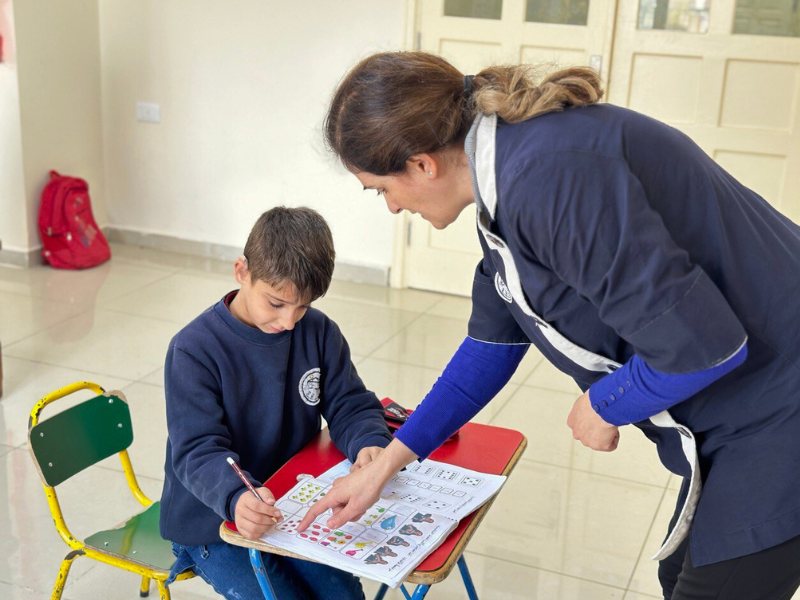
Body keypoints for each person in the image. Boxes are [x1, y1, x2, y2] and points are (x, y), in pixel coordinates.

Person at [298, 52, 800, 599]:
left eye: (381, 189)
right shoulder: (507, 178)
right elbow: (488, 351)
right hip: (755, 402)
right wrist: (388, 463)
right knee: (674, 573)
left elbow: (703, 347)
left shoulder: (547, 179)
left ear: (422, 164)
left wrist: (606, 400)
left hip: (779, 405)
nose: (391, 208)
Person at [160, 207, 393, 600]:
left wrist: (369, 441)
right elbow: (198, 451)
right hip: (214, 517)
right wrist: (236, 498)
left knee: (345, 596)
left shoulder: (317, 331)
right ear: (242, 272)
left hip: (291, 503)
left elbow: (349, 403)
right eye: (276, 303)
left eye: (302, 307)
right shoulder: (194, 349)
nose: (289, 321)